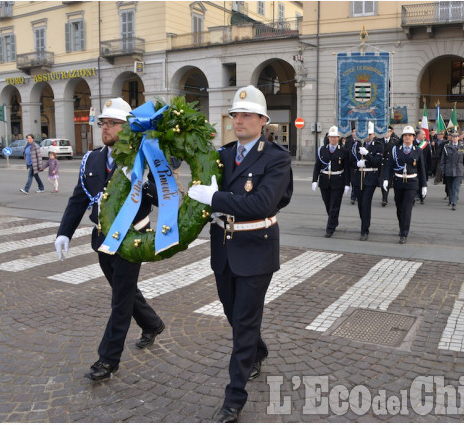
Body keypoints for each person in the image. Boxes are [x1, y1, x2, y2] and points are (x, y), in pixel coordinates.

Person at [187, 85, 292, 423]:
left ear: (263, 120)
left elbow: (263, 203)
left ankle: (234, 398)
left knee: (244, 322)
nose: (240, 119)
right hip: (224, 250)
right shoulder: (223, 154)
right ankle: (257, 351)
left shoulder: (276, 157)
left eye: (248, 114)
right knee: (234, 314)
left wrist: (214, 199)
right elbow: (196, 189)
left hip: (256, 249)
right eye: (236, 114)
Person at [54, 98, 165, 382]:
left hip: (132, 238)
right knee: (123, 290)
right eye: (103, 123)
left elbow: (162, 197)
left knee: (120, 299)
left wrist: (139, 180)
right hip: (102, 238)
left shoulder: (145, 155)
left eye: (112, 123)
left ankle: (108, 359)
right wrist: (64, 232)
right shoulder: (92, 158)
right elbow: (79, 198)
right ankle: (152, 324)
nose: (105, 128)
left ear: (127, 127)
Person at [382, 125, 427, 244]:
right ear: (403, 137)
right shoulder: (396, 149)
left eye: (410, 135)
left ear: (413, 137)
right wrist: (386, 179)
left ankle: (404, 233)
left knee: (407, 208)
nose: (407, 137)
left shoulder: (418, 150)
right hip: (398, 181)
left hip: (412, 183)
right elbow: (389, 165)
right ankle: (402, 226)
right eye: (405, 135)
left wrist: (424, 185)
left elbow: (422, 169)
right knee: (399, 207)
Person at [312, 126, 350, 237]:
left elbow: (347, 169)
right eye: (331, 137)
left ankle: (330, 228)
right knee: (328, 204)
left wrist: (347, 184)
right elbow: (317, 166)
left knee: (334, 205)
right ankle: (334, 220)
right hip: (324, 182)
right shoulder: (322, 150)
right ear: (328, 138)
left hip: (338, 181)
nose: (333, 139)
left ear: (338, 138)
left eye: (335, 137)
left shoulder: (343, 151)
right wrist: (314, 180)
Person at [349, 121, 383, 240]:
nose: (368, 136)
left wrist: (367, 154)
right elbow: (351, 160)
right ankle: (364, 223)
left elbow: (377, 162)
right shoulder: (358, 144)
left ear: (373, 134)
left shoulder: (378, 145)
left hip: (370, 177)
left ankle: (364, 230)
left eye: (369, 134)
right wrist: (357, 163)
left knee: (366, 203)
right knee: (360, 204)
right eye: (366, 134)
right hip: (359, 176)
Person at [440, 130, 464, 210]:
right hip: (448, 169)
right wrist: (442, 170)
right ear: (451, 138)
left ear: (458, 137)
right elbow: (443, 160)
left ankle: (454, 203)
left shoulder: (463, 147)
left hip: (458, 170)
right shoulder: (446, 147)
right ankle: (451, 199)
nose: (455, 138)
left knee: (456, 187)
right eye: (453, 137)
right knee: (449, 187)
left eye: (456, 137)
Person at [380, 125, 399, 206]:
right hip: (381, 164)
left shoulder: (395, 141)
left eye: (388, 131)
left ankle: (385, 198)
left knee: (387, 181)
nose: (386, 133)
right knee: (381, 182)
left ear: (391, 132)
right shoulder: (379, 141)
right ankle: (384, 197)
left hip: (390, 165)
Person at [413, 129, 431, 203]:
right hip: (414, 166)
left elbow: (429, 157)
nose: (425, 136)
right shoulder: (412, 143)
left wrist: (430, 168)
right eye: (423, 134)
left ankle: (422, 196)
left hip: (424, 166)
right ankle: (415, 195)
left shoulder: (426, 144)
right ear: (418, 135)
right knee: (415, 181)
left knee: (422, 180)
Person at [343, 127, 359, 205]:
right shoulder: (349, 141)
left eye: (356, 132)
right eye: (353, 132)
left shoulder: (360, 141)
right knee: (353, 181)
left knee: (358, 180)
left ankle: (355, 196)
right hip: (350, 164)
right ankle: (354, 196)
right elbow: (345, 152)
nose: (354, 133)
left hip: (359, 164)